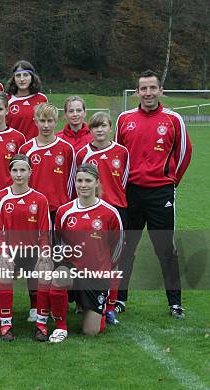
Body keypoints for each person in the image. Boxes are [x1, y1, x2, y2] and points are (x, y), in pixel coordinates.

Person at [115, 69, 192, 318]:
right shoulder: (124, 119)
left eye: (152, 88)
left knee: (165, 249)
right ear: (137, 92)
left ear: (161, 90)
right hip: (131, 193)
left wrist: (171, 182)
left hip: (161, 193)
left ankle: (175, 303)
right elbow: (118, 155)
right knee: (126, 247)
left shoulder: (173, 119)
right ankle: (119, 300)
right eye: (143, 88)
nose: (148, 93)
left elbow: (184, 154)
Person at [44, 164, 124, 342]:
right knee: (59, 278)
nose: (83, 185)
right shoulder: (64, 211)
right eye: (79, 180)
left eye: (88, 180)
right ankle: (60, 327)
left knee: (91, 332)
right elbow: (57, 243)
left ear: (97, 183)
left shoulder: (110, 213)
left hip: (96, 274)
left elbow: (117, 246)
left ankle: (100, 311)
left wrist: (105, 269)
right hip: (72, 268)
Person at [76, 111, 129, 324]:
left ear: (110, 127)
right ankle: (84, 301)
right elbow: (77, 182)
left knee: (113, 259)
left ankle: (110, 306)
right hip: (90, 212)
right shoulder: (83, 153)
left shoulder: (122, 151)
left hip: (115, 210)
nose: (99, 130)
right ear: (90, 130)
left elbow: (124, 181)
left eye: (103, 126)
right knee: (87, 256)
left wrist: (115, 203)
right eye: (95, 127)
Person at [0, 155, 51, 341]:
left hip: (33, 252)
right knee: (3, 272)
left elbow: (45, 233)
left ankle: (41, 323)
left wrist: (44, 254)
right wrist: (3, 254)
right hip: (10, 252)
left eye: (22, 170)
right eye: (15, 170)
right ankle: (5, 325)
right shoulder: (0, 198)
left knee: (44, 270)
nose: (18, 174)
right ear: (9, 172)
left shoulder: (40, 199)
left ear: (30, 172)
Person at [18, 103, 75, 220]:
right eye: (42, 121)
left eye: (50, 121)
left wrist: (66, 204)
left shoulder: (67, 149)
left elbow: (71, 180)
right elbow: (20, 180)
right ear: (35, 121)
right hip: (32, 207)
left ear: (56, 122)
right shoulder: (25, 149)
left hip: (59, 208)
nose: (46, 125)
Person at [5, 60, 47, 139]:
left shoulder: (42, 99)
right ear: (13, 79)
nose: (22, 79)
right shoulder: (6, 99)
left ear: (32, 77)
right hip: (13, 147)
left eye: (25, 75)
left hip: (34, 148)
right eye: (18, 76)